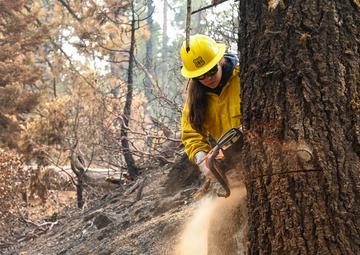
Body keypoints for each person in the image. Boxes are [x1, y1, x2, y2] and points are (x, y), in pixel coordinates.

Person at [180, 34, 242, 180]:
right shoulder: (195, 100)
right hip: (232, 165)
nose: (208, 78)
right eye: (201, 75)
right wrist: (202, 159)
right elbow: (191, 136)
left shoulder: (243, 77)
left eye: (212, 70)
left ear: (220, 61)